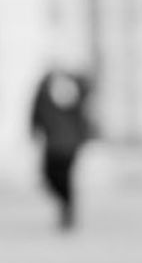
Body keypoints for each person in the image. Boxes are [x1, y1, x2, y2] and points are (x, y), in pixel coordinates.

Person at [30, 66, 94, 230]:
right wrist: (34, 129)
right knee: (50, 176)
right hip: (53, 143)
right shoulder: (45, 92)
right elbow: (36, 112)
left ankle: (67, 211)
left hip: (70, 144)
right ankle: (65, 206)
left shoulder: (76, 91)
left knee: (65, 178)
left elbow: (84, 112)